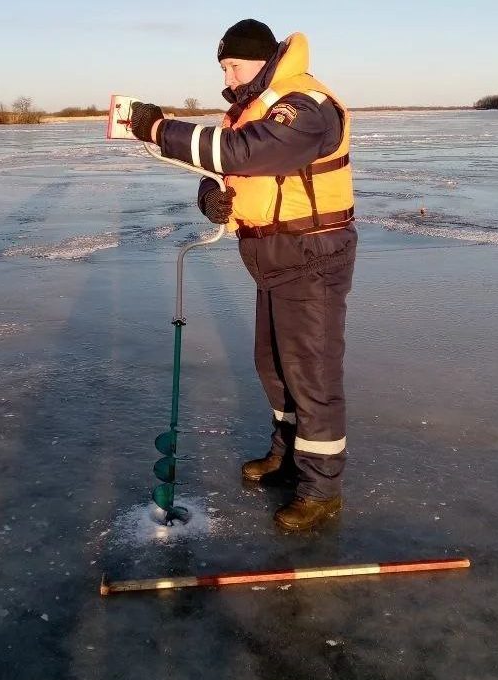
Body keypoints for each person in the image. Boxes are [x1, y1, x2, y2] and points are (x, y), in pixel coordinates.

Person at [131, 19, 357, 531]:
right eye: (223, 67)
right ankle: (287, 454)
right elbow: (232, 174)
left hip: (313, 256)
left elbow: (243, 153)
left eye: (233, 65)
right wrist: (213, 201)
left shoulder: (305, 105)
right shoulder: (252, 111)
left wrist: (156, 128)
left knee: (310, 374)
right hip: (274, 257)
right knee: (274, 366)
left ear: (261, 58)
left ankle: (321, 488)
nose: (227, 77)